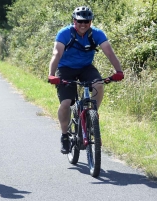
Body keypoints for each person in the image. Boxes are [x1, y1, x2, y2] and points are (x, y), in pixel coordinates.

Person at [48, 6, 124, 154]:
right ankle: (64, 136)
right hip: (66, 69)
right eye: (79, 21)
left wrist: (119, 71)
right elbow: (56, 53)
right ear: (73, 21)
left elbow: (109, 52)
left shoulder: (96, 34)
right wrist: (52, 74)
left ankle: (91, 116)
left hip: (86, 68)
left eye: (87, 21)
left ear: (91, 22)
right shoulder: (64, 33)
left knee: (99, 84)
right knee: (66, 103)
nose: (83, 24)